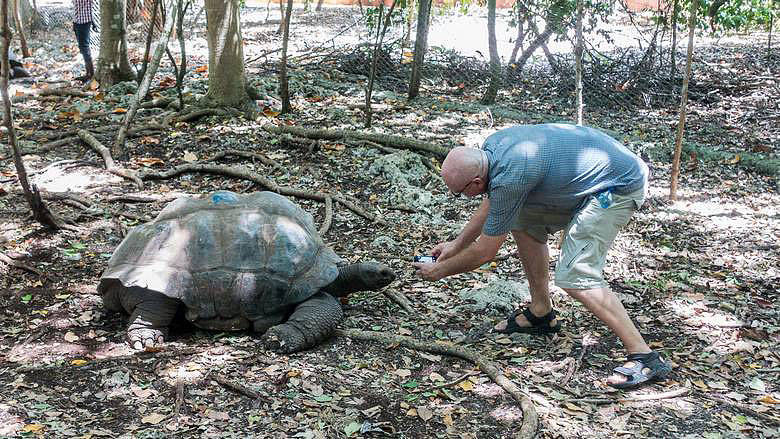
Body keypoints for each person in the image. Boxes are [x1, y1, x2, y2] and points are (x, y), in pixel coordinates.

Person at [412, 123, 670, 389]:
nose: (462, 196)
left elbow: (486, 251)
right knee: (522, 221)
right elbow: (494, 202)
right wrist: (456, 244)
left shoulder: (511, 176)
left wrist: (440, 271)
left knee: (575, 274)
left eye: (460, 193)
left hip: (616, 188)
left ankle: (645, 356)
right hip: (595, 178)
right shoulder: (493, 149)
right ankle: (541, 313)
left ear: (476, 182)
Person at [72, 0, 95, 82]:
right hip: (77, 20)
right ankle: (88, 73)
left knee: (84, 48)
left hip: (84, 22)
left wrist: (92, 21)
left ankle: (91, 74)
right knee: (82, 48)